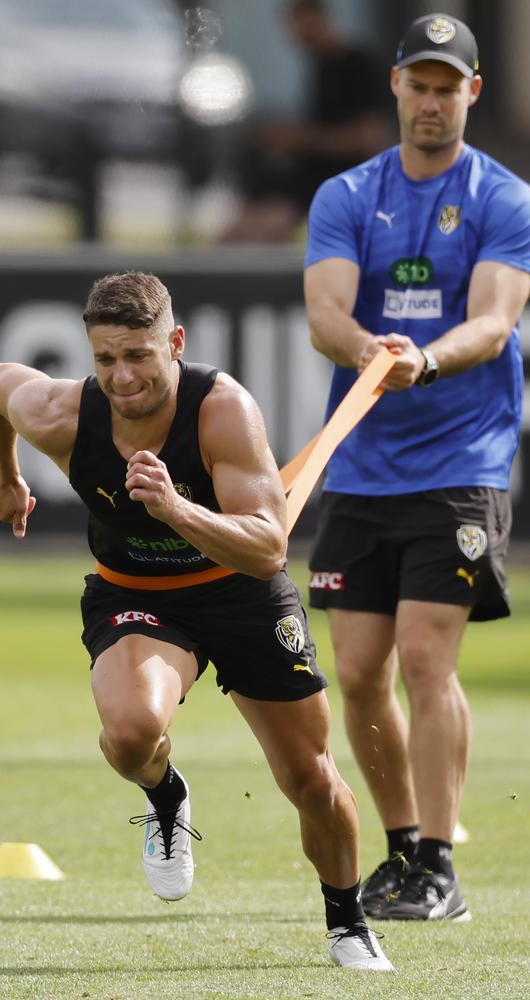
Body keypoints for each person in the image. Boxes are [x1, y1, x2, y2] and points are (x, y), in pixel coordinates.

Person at [0, 270, 393, 971]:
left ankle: (347, 922)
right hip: (135, 594)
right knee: (130, 734)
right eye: (105, 358)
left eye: (139, 355)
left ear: (174, 342)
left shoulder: (221, 409)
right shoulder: (60, 413)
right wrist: (4, 474)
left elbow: (268, 548)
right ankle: (165, 796)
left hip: (240, 590)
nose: (122, 376)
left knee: (311, 779)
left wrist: (175, 509)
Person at [303, 12, 530, 922]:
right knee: (359, 671)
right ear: (396, 85)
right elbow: (325, 312)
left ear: (472, 93)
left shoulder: (502, 198)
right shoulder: (347, 194)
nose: (432, 101)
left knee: (427, 657)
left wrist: (424, 360)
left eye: (450, 87)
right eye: (420, 84)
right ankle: (402, 850)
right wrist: (369, 351)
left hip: (462, 460)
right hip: (360, 461)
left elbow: (493, 320)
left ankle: (440, 863)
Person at [221, 0, 391, 243]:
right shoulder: (321, 67)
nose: (292, 34)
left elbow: (369, 138)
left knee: (247, 236)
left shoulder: (357, 64)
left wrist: (299, 139)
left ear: (316, 18)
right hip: (307, 177)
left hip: (337, 179)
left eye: (296, 23)